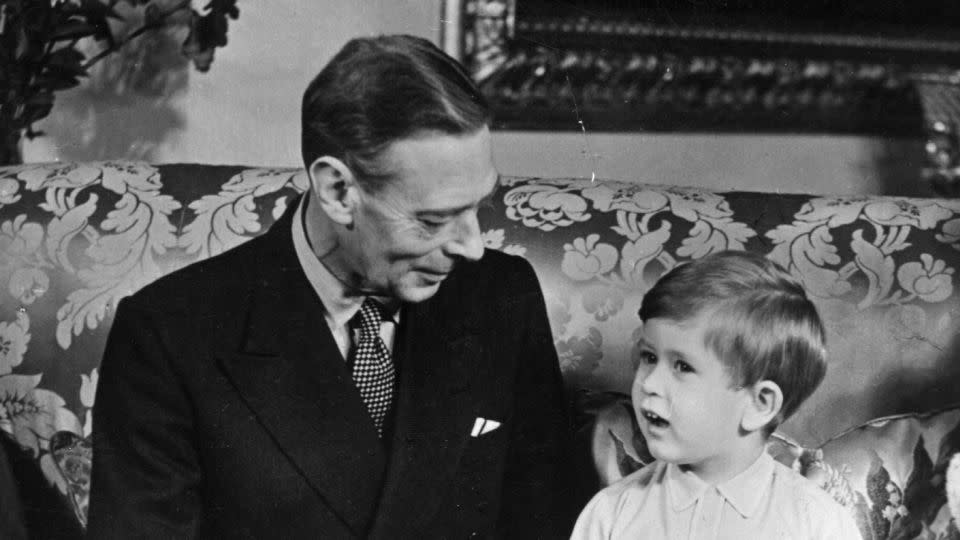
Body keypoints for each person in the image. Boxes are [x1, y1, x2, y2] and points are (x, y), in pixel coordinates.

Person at [87, 34, 572, 539]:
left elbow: (544, 520)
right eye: (434, 219)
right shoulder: (169, 335)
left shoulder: (501, 296)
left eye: (478, 206)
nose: (472, 246)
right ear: (339, 191)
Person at [570, 251, 862, 539]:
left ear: (759, 404)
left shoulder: (818, 522)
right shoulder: (611, 512)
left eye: (682, 366)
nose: (650, 383)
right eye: (648, 357)